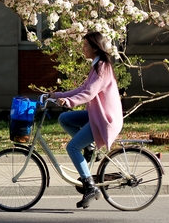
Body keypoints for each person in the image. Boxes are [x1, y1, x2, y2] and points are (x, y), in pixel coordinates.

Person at [46, 31, 123, 209]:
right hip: (96, 115)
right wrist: (57, 95)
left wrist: (69, 102)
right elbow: (83, 88)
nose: (83, 48)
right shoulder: (97, 66)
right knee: (64, 118)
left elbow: (89, 93)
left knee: (72, 147)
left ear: (95, 48)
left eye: (86, 45)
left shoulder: (102, 68)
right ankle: (89, 147)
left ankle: (90, 187)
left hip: (104, 120)